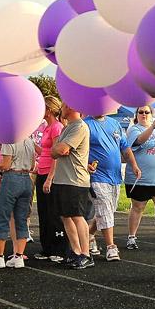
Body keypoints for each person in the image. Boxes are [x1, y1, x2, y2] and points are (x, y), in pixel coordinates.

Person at [83, 113, 141, 261]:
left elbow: (125, 147)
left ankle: (87, 235)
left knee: (107, 210)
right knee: (105, 209)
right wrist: (85, 165)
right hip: (97, 176)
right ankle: (111, 247)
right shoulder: (85, 124)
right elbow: (78, 149)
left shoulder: (114, 124)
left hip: (114, 176)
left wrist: (134, 165)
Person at [44, 101, 93, 270]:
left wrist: (56, 149)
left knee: (78, 216)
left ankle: (86, 254)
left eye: (63, 105)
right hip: (64, 180)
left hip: (75, 181)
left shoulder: (79, 126)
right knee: (66, 216)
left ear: (71, 107)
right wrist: (55, 149)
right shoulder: (68, 127)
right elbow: (55, 151)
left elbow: (61, 150)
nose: (61, 109)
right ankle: (76, 251)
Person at [0, 137, 36, 269]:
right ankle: (18, 256)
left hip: (11, 178)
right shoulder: (29, 142)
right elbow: (32, 165)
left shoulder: (9, 141)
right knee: (21, 220)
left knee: (3, 217)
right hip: (26, 179)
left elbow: (5, 165)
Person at [125, 105, 155, 246]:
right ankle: (131, 237)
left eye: (147, 112)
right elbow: (139, 141)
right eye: (141, 112)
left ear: (151, 114)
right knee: (138, 208)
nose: (144, 114)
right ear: (136, 115)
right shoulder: (134, 129)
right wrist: (152, 127)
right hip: (140, 178)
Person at [32, 96, 69, 262]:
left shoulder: (57, 127)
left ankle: (59, 248)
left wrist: (50, 178)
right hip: (41, 171)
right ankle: (47, 247)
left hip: (50, 174)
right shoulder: (47, 128)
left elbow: (56, 154)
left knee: (54, 213)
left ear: (49, 109)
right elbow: (44, 152)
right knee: (43, 212)